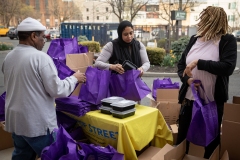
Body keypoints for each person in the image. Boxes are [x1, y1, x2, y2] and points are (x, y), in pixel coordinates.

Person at [2, 17, 86, 160]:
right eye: (42, 36)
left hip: (16, 122)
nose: (45, 40)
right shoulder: (40, 58)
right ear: (33, 36)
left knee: (22, 155)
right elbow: (58, 90)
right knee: (54, 156)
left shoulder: (9, 57)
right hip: (37, 125)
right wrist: (74, 78)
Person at [176, 6, 237, 158]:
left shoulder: (226, 41)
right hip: (189, 100)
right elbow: (181, 66)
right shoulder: (194, 40)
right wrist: (187, 80)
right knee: (182, 139)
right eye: (202, 18)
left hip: (212, 102)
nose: (201, 22)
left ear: (216, 22)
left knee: (211, 141)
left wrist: (198, 62)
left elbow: (227, 67)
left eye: (206, 19)